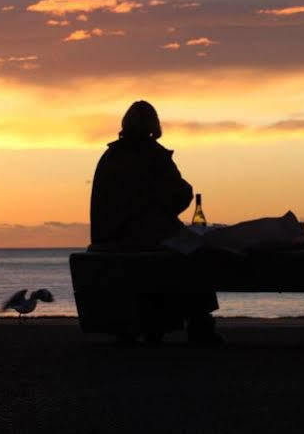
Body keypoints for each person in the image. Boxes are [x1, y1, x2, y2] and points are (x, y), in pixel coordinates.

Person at [89, 100, 221, 345]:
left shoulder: (109, 157)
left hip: (110, 242)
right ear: (154, 126)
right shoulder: (154, 156)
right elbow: (181, 194)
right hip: (147, 239)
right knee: (196, 252)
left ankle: (146, 324)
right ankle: (200, 324)